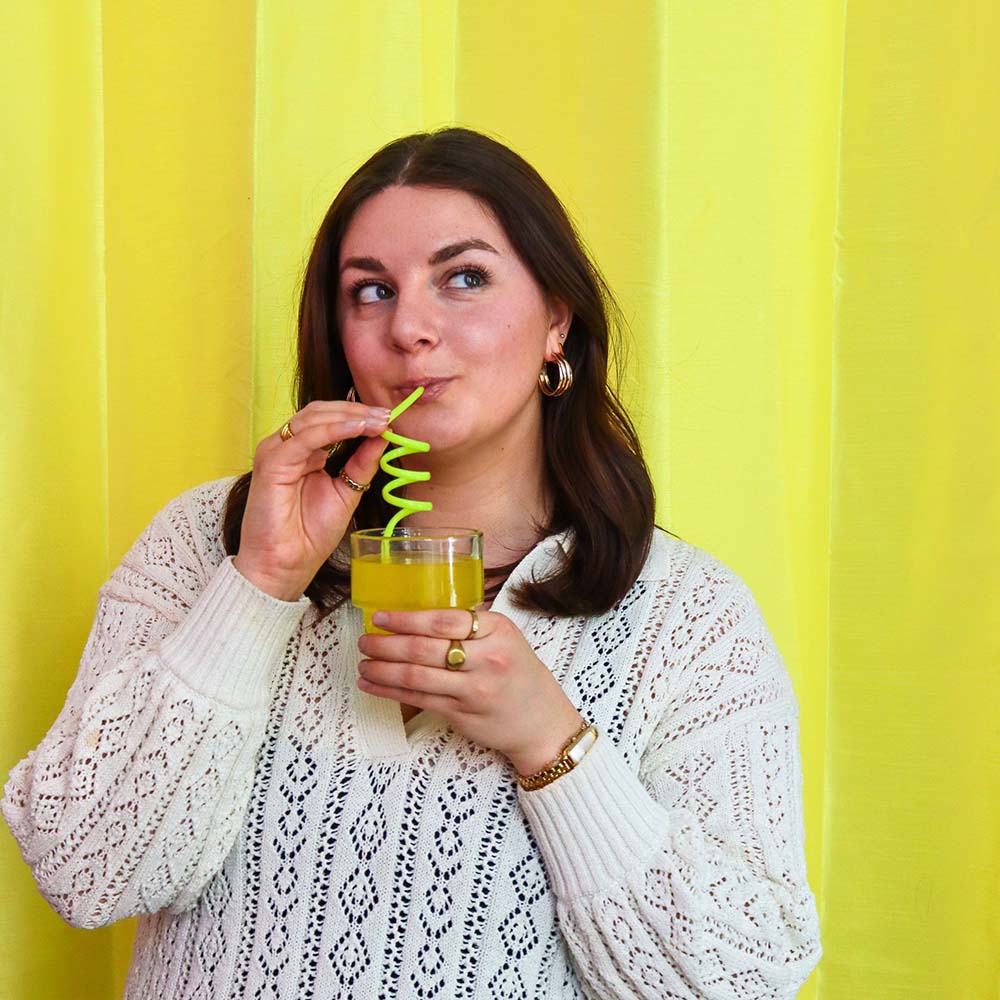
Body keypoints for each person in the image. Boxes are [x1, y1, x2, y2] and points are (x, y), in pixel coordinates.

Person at [2, 127, 823, 998]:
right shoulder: (206, 540)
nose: (409, 329)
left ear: (557, 320)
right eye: (371, 291)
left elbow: (740, 980)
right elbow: (84, 874)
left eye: (463, 278)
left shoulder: (687, 616)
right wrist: (258, 587)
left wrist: (550, 742)